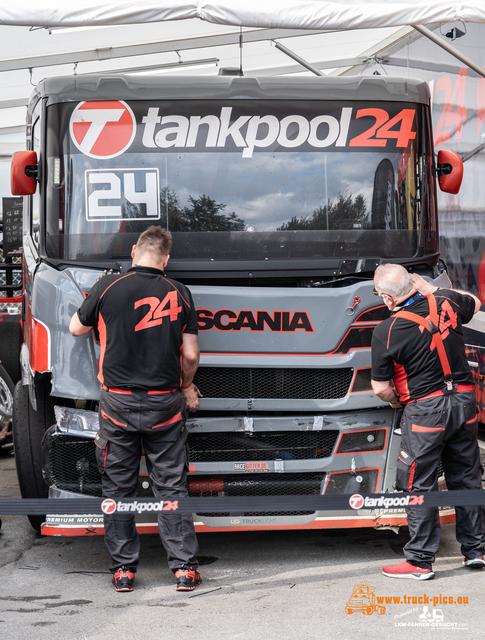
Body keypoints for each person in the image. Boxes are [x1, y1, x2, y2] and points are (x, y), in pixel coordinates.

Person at [69, 226, 202, 593]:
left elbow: (75, 329)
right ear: (166, 259)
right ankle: (184, 569)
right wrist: (187, 387)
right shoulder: (180, 292)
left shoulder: (107, 287)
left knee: (118, 488)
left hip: (117, 404)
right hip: (166, 404)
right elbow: (190, 354)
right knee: (171, 487)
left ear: (134, 251)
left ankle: (124, 570)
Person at [371, 264, 485, 580]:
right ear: (414, 284)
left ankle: (420, 561)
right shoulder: (446, 301)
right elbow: (474, 303)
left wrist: (398, 402)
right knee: (466, 476)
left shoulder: (386, 331)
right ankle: (475, 551)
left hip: (425, 413)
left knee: (419, 483)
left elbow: (381, 388)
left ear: (386, 297)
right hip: (464, 406)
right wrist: (431, 289)